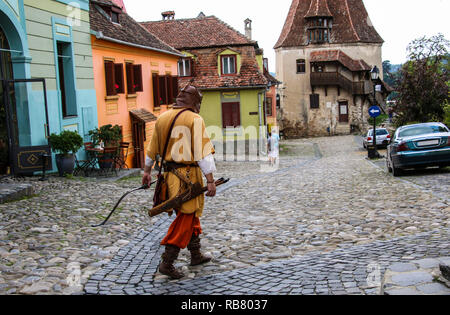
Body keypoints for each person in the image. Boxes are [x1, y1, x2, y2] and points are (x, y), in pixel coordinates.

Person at [142, 85, 217, 280]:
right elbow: (203, 153)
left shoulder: (163, 117)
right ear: (195, 101)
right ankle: (167, 263)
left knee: (189, 215)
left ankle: (196, 255)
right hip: (187, 177)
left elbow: (151, 149)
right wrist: (210, 180)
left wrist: (147, 171)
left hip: (168, 178)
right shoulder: (195, 119)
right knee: (186, 217)